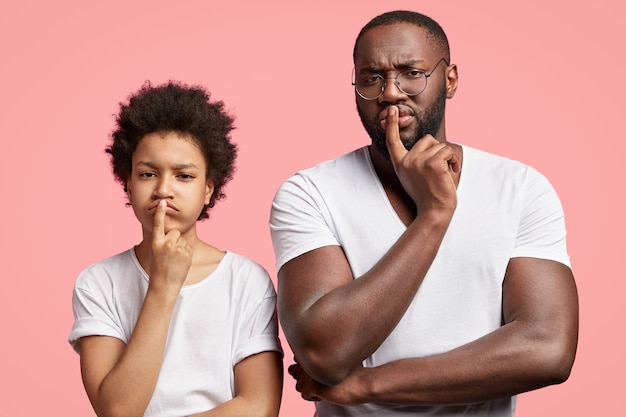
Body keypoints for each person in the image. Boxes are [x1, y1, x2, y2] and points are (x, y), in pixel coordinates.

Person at [270, 10, 578, 417]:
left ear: (449, 80)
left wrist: (367, 384)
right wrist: (434, 215)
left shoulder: (520, 188)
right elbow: (324, 353)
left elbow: (547, 349)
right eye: (370, 78)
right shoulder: (311, 192)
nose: (391, 92)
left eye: (411, 73)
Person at [69, 81, 283, 417]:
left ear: (209, 189)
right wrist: (163, 288)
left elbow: (260, 406)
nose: (163, 190)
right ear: (127, 182)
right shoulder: (98, 282)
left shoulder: (246, 280)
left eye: (184, 176)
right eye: (148, 174)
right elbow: (117, 410)